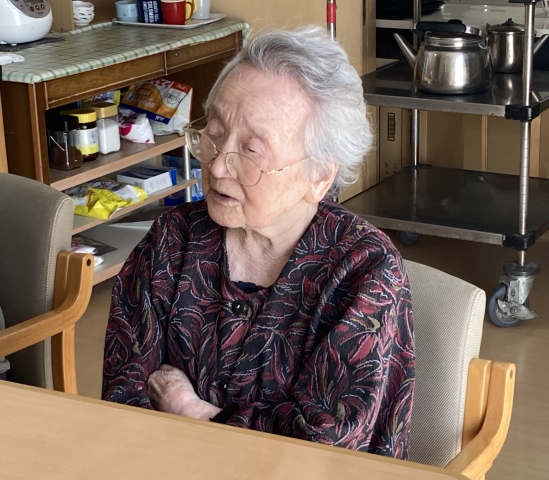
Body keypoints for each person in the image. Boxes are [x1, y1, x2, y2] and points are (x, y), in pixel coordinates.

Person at [102, 26, 415, 459]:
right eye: (214, 133)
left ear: (320, 175)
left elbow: (323, 446)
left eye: (251, 150)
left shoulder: (365, 270)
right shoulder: (172, 240)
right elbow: (123, 395)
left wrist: (192, 412)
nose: (217, 167)